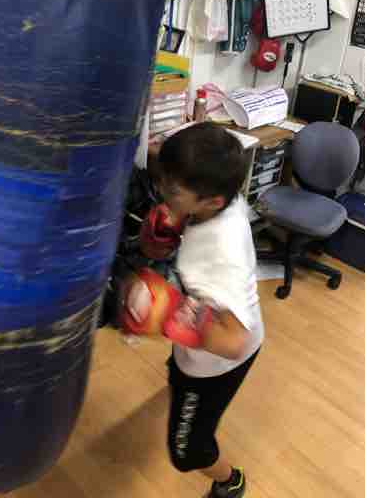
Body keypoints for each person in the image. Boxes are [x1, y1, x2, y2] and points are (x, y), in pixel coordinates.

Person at [123, 123, 264, 498]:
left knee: (187, 452)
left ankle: (230, 482)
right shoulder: (219, 199)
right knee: (177, 372)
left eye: (172, 190)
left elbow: (234, 342)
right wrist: (173, 224)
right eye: (163, 180)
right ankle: (177, 380)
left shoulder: (222, 255)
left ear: (211, 201)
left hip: (218, 363)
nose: (161, 191)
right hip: (208, 325)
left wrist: (169, 314)